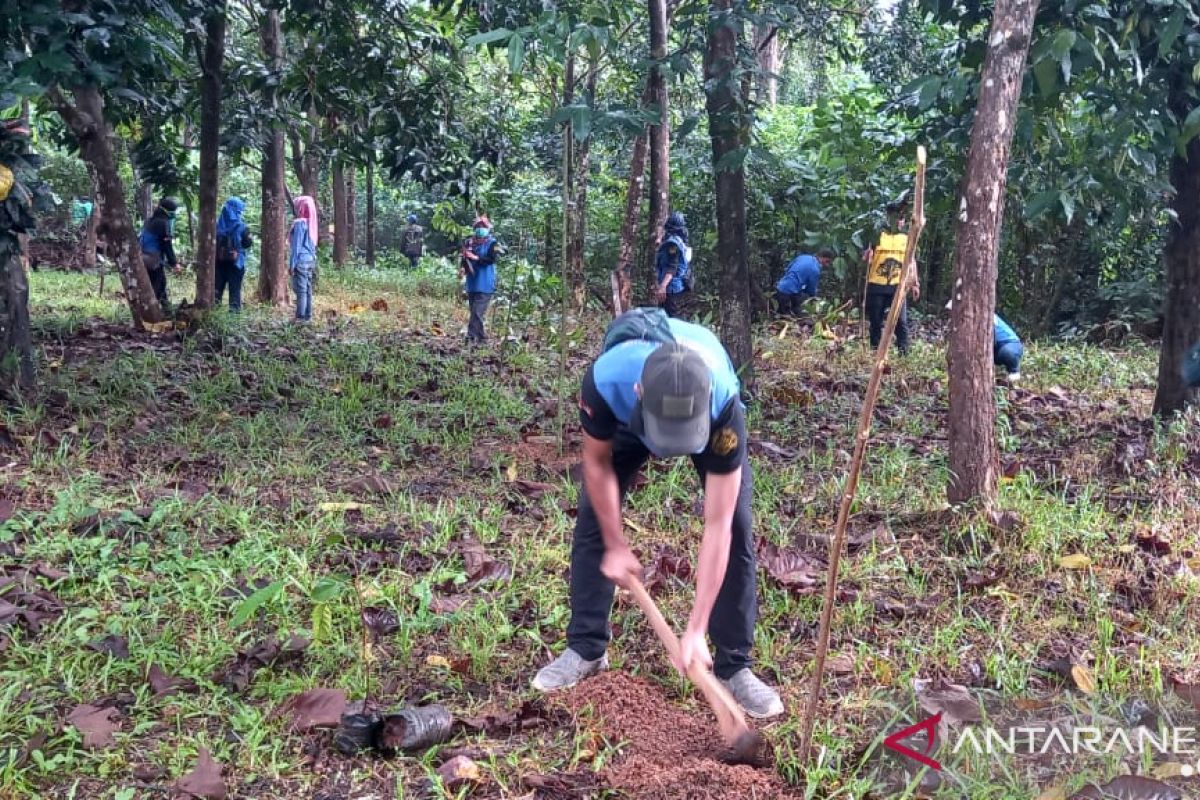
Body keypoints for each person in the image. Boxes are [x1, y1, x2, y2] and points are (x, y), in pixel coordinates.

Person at [532, 308, 784, 720]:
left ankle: (734, 666)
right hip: (629, 420)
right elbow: (597, 466)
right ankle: (586, 648)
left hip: (707, 417)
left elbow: (718, 525)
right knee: (594, 519)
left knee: (737, 526)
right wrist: (615, 544)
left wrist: (696, 627)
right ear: (639, 391)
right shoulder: (606, 382)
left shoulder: (721, 404)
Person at [864, 196, 920, 353]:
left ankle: (904, 351)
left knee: (900, 321)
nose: (899, 222)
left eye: (901, 219)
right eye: (896, 218)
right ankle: (875, 350)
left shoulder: (906, 238)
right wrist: (867, 254)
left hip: (898, 285)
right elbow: (865, 258)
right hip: (877, 284)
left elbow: (911, 261)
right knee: (875, 320)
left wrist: (915, 283)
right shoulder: (877, 236)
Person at [459, 216, 499, 343]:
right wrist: (462, 268)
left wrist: (476, 257)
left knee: (477, 312)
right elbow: (465, 259)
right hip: (472, 283)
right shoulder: (469, 243)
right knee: (475, 313)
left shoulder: (493, 243)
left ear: (488, 228)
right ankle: (482, 338)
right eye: (478, 227)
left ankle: (470, 338)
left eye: (483, 227)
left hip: (485, 283)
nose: (481, 229)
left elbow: (491, 259)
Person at [138, 196, 181, 310]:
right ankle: (152, 311)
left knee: (160, 282)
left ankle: (167, 308)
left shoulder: (150, 220)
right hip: (153, 259)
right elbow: (167, 246)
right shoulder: (163, 223)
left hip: (142, 257)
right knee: (156, 286)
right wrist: (174, 263)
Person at [214, 196, 253, 313]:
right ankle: (234, 314)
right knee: (235, 289)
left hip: (218, 262)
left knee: (217, 289)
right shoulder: (242, 227)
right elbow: (247, 244)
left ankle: (214, 313)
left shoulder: (215, 226)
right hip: (236, 263)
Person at [654, 211, 692, 318]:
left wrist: (663, 286)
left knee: (670, 320)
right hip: (675, 287)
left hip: (671, 288)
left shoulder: (673, 244)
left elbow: (672, 267)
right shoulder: (679, 241)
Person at [775, 248, 835, 316]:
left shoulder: (803, 257)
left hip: (781, 286)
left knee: (783, 311)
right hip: (789, 291)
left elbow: (789, 267)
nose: (827, 265)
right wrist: (814, 300)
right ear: (822, 257)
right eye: (827, 261)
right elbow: (811, 290)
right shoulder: (815, 270)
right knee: (788, 315)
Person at [288, 196, 318, 322]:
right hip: (310, 260)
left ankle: (300, 317)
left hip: (301, 261)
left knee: (301, 290)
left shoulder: (300, 223)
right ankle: (308, 316)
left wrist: (291, 264)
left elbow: (296, 247)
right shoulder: (312, 223)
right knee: (307, 289)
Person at [994, 314, 1023, 381]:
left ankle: (1014, 372)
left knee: (1007, 352)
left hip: (1010, 343)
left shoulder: (986, 315)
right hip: (996, 348)